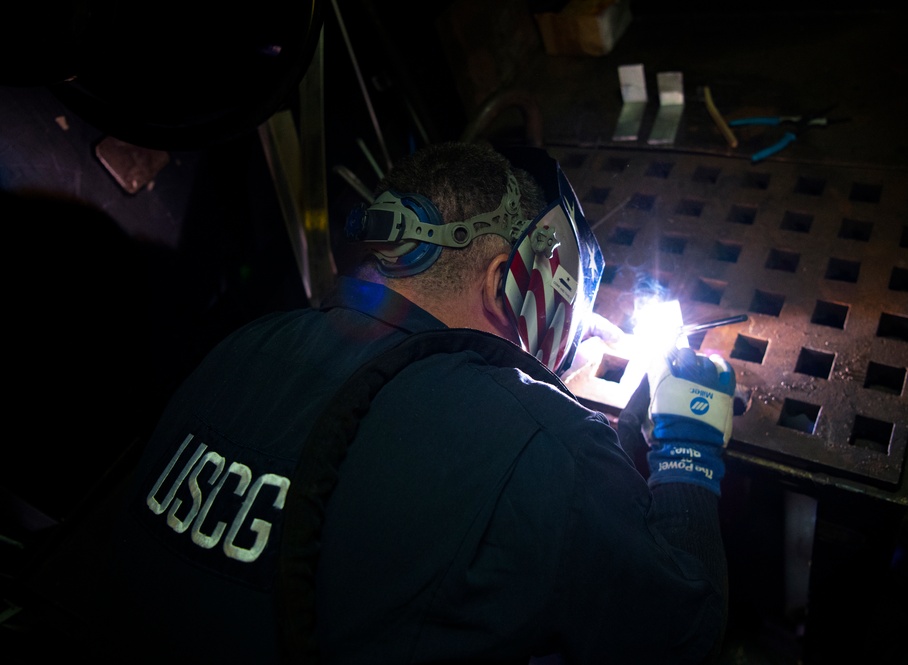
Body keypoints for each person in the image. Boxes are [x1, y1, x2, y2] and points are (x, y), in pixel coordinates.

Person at [93, 140, 734, 664]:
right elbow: (685, 628)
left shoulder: (249, 343)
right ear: (506, 279)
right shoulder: (546, 447)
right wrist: (688, 445)